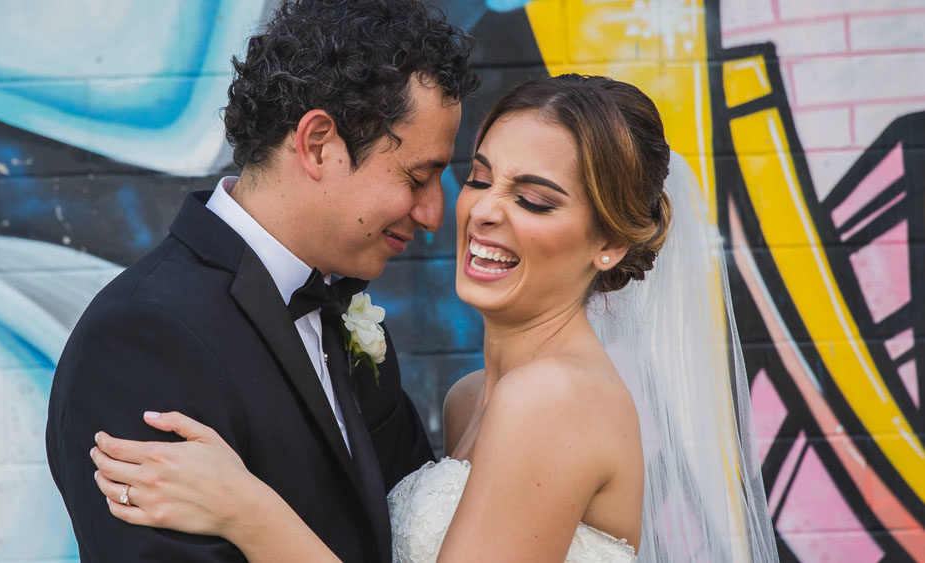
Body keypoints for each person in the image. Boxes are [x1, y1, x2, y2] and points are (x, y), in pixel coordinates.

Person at [90, 74, 781, 562]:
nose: (482, 209)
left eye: (534, 200)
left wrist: (248, 510)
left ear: (609, 245)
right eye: (480, 177)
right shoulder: (471, 399)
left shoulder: (555, 400)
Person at [44, 0, 478, 561]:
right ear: (318, 143)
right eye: (418, 177)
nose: (432, 215)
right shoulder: (142, 335)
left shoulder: (342, 309)